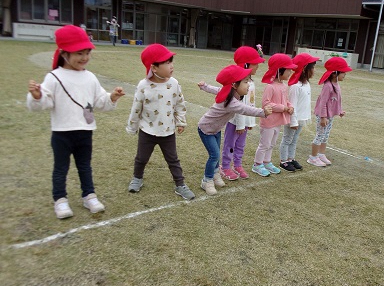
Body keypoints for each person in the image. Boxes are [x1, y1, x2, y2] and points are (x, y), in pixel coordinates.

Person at [27, 25, 125, 219]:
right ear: (64, 53)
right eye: (79, 53)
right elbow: (43, 103)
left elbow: (98, 101)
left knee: (85, 166)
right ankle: (60, 199)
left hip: (85, 131)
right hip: (62, 132)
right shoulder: (54, 77)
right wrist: (37, 96)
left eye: (87, 52)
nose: (84, 57)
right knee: (61, 168)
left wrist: (112, 97)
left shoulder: (90, 77)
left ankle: (89, 195)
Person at [126, 44, 195, 200]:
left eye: (171, 61)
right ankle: (137, 178)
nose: (172, 66)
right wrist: (132, 127)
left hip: (168, 131)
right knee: (141, 158)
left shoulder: (174, 84)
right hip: (147, 131)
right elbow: (136, 108)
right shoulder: (143, 86)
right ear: (154, 68)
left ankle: (180, 184)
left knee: (173, 159)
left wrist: (181, 122)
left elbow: (179, 103)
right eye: (167, 62)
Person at [197, 65, 272, 195]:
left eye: (248, 81)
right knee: (214, 155)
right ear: (234, 85)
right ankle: (207, 180)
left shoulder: (228, 93)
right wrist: (262, 112)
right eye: (245, 82)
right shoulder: (231, 101)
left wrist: (205, 86)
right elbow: (245, 109)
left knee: (216, 154)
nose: (248, 85)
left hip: (216, 129)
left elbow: (216, 89)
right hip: (205, 129)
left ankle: (215, 175)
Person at [219, 46, 265, 181]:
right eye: (255, 63)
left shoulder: (251, 82)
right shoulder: (239, 83)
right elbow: (238, 106)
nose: (257, 66)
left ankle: (237, 164)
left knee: (241, 145)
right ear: (245, 64)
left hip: (245, 122)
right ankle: (225, 166)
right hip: (235, 121)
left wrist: (250, 122)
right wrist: (240, 124)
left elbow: (250, 104)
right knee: (230, 144)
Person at [252, 54, 297, 177]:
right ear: (279, 70)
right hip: (268, 121)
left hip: (278, 121)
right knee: (264, 144)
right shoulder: (270, 86)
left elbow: (286, 100)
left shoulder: (283, 86)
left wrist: (290, 106)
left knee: (272, 144)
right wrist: (283, 108)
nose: (290, 72)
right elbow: (266, 104)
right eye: (288, 70)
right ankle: (257, 164)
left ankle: (267, 162)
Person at [307, 57, 352, 167]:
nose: (344, 74)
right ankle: (313, 157)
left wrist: (339, 110)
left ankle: (321, 154)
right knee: (320, 135)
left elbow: (336, 100)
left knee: (325, 135)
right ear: (334, 74)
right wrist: (323, 117)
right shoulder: (328, 86)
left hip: (330, 115)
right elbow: (323, 102)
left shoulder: (336, 84)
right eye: (343, 72)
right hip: (324, 116)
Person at [279, 53, 319, 172]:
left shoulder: (305, 84)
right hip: (294, 119)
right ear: (305, 69)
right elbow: (292, 105)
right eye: (312, 67)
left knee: (294, 139)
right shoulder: (295, 86)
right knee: (287, 139)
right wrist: (293, 121)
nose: (314, 70)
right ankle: (283, 161)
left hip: (301, 118)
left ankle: (291, 158)